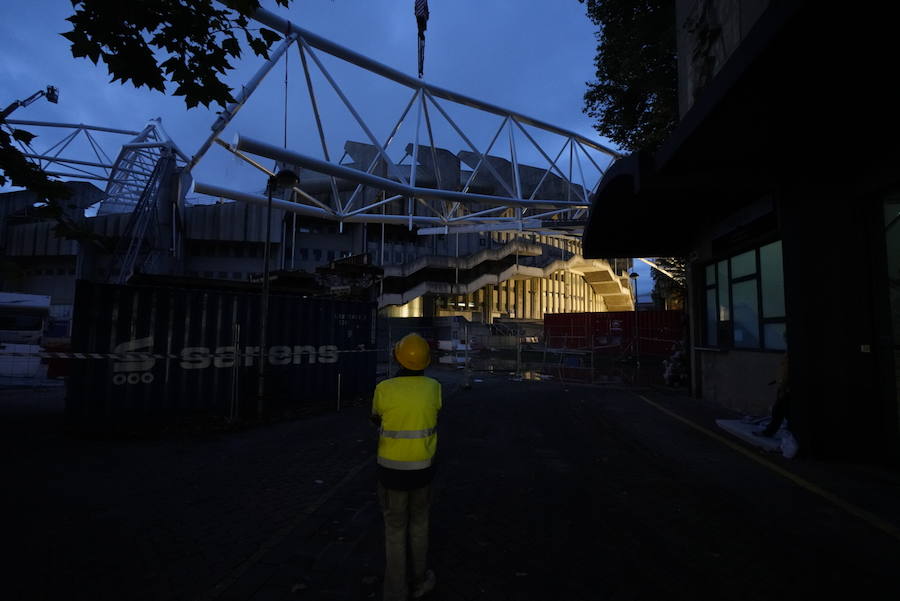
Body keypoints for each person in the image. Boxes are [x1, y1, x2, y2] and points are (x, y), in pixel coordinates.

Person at [371, 333, 441, 600]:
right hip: (423, 471)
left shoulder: (384, 388)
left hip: (390, 473)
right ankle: (420, 580)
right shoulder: (434, 387)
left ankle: (396, 591)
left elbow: (376, 418)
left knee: (395, 529)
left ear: (397, 357)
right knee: (420, 524)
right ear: (426, 360)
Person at [756, 349, 789, 437]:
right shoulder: (788, 353)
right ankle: (769, 432)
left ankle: (769, 432)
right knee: (778, 411)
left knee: (778, 411)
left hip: (786, 388)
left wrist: (783, 388)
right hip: (783, 386)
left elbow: (786, 373)